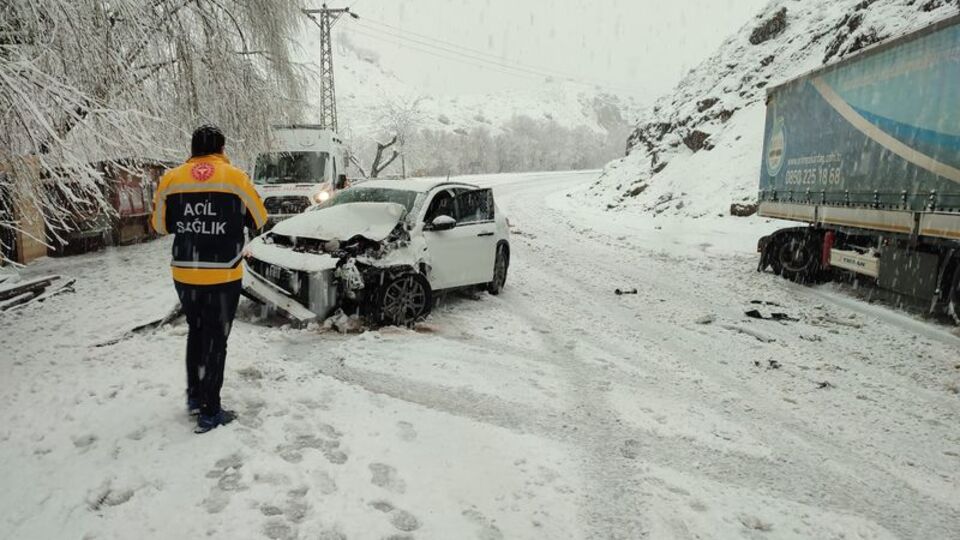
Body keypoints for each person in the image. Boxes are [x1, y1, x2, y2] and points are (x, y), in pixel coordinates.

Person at [151, 125, 267, 434]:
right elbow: (260, 218)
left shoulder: (171, 179)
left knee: (196, 332)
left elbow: (160, 226)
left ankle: (194, 396)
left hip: (185, 272)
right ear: (221, 149)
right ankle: (210, 411)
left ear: (193, 149)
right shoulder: (236, 179)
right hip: (223, 273)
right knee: (217, 339)